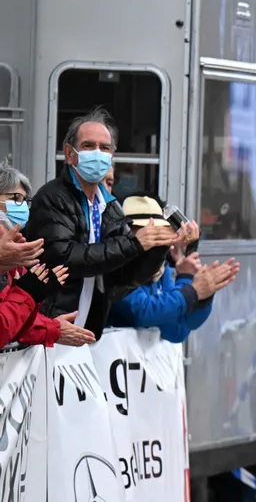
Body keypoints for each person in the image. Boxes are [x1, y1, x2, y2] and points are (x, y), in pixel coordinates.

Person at [24, 109, 198, 337]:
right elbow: (65, 258)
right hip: (48, 328)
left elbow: (125, 278)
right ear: (70, 154)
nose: (97, 153)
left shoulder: (109, 207)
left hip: (84, 332)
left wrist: (159, 244)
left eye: (104, 148)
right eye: (88, 146)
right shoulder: (53, 197)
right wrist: (135, 244)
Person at [109, 195, 239, 343]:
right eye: (145, 232)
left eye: (159, 233)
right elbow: (143, 312)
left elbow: (177, 330)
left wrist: (200, 288)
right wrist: (193, 291)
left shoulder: (161, 270)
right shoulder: (116, 267)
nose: (154, 242)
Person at [0, 163, 94, 347]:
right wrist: (27, 292)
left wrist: (51, 327)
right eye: (15, 198)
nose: (22, 207)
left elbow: (15, 325)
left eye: (25, 200)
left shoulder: (16, 253)